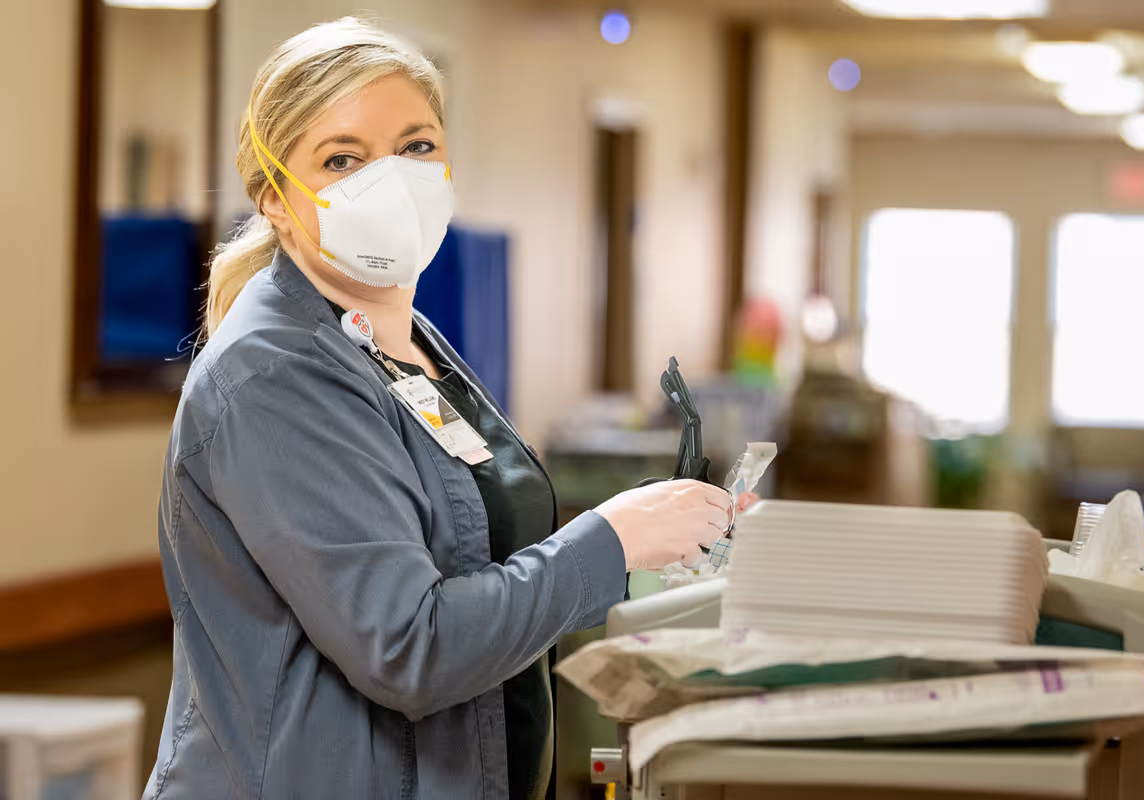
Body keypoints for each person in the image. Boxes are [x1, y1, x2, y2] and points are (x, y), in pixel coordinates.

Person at [144, 17, 745, 800]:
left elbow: (477, 560)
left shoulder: (403, 346)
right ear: (276, 201)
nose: (390, 180)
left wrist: (670, 530)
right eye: (342, 159)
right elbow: (412, 647)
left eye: (416, 146)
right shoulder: (273, 374)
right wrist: (613, 541)